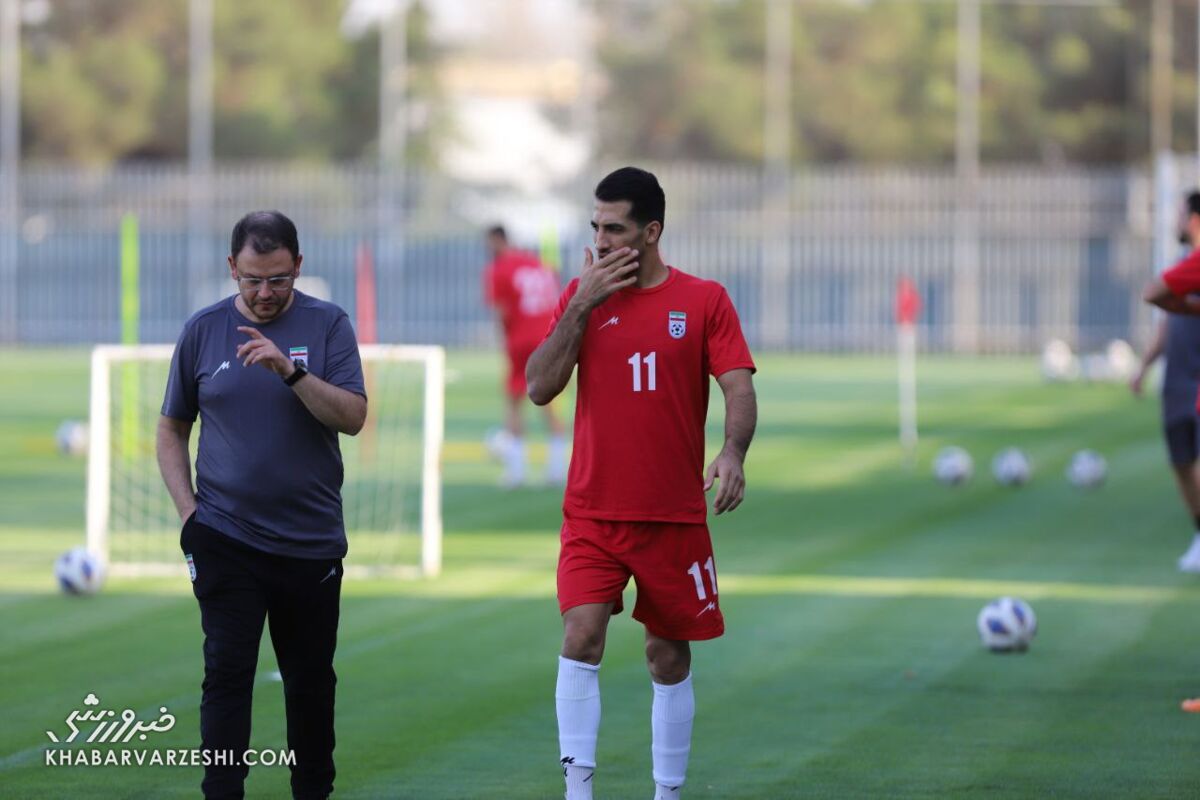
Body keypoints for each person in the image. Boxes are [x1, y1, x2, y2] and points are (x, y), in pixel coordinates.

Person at [526, 167, 758, 800]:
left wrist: (733, 451)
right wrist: (580, 304)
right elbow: (539, 385)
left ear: (651, 232)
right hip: (593, 515)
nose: (600, 240)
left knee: (667, 655)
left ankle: (668, 793)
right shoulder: (582, 297)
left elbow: (738, 383)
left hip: (673, 516)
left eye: (615, 228)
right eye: (595, 227)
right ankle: (578, 793)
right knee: (581, 635)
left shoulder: (704, 300)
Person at [156, 210, 367, 799]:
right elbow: (171, 427)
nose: (266, 292)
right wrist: (189, 517)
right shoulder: (203, 331)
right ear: (232, 269)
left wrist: (291, 372)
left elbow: (353, 417)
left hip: (310, 544)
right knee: (226, 675)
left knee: (309, 684)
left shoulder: (328, 325)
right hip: (224, 539)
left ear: (298, 266)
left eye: (278, 278)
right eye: (252, 279)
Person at [1139, 190, 1200, 573]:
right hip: (1178, 382)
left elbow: (1153, 293)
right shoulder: (1185, 264)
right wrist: (1143, 365)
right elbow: (1163, 313)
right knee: (1182, 463)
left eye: (1180, 214)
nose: (1175, 221)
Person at [482, 224, 568, 487]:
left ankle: (517, 470)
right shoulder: (536, 262)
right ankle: (556, 467)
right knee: (550, 400)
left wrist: (503, 343)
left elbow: (501, 312)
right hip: (549, 337)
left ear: (498, 240)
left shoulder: (499, 269)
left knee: (514, 400)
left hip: (522, 340)